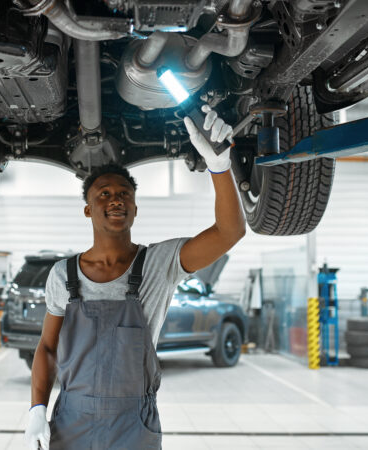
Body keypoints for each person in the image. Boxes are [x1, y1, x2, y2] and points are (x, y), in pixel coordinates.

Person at [24, 105, 246, 449]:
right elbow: (48, 347)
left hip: (134, 423)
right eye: (105, 194)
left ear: (136, 207)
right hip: (72, 420)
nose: (116, 200)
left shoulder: (160, 263)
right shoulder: (62, 275)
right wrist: (37, 407)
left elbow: (229, 231)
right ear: (88, 208)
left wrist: (219, 165)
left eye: (125, 194)